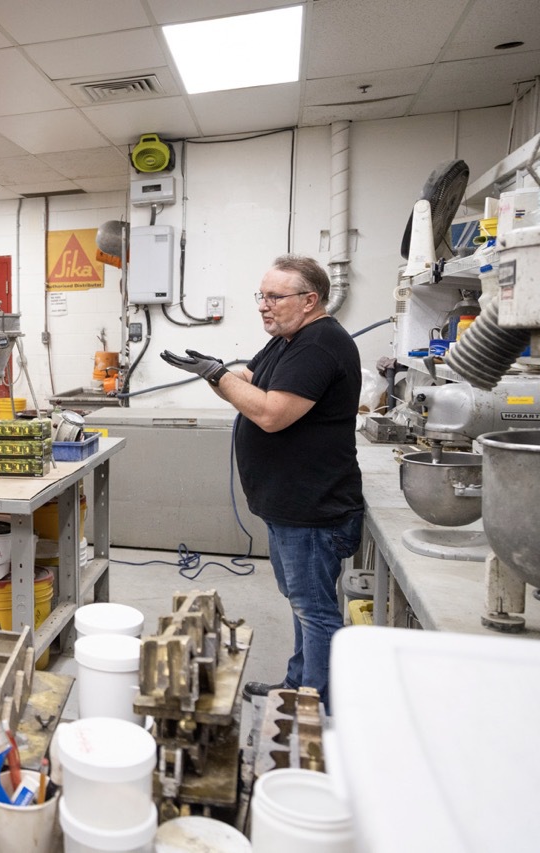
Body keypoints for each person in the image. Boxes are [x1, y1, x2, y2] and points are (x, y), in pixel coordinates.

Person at [160, 254, 363, 708]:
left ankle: (316, 707)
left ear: (309, 300)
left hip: (313, 509)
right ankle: (299, 685)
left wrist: (218, 376)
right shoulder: (287, 341)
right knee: (302, 604)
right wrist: (214, 373)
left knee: (315, 611)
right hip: (288, 504)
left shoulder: (319, 345)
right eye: (262, 296)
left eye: (274, 297)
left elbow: (271, 414)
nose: (263, 305)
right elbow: (249, 383)